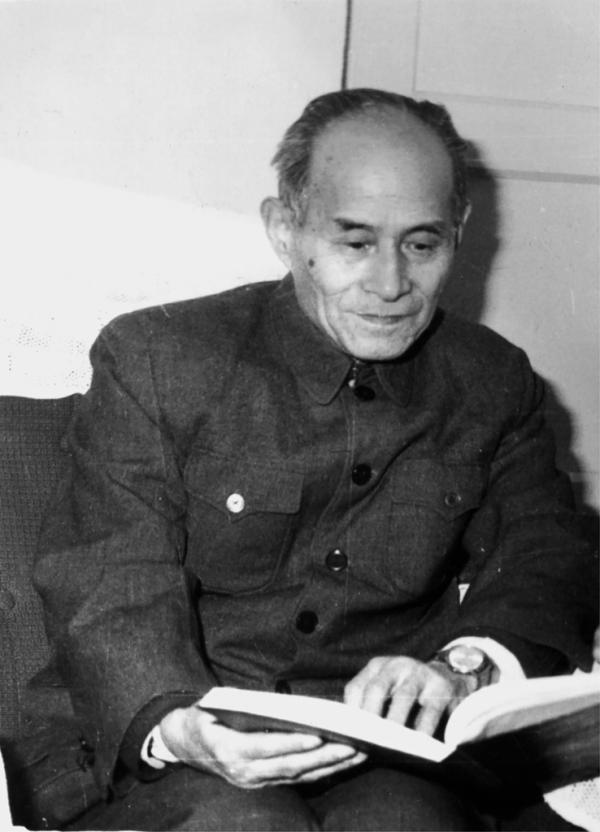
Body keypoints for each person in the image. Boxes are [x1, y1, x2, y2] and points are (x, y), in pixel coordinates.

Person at [23, 88, 597, 830]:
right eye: (355, 243)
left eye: (422, 246)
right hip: (157, 746)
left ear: (457, 236)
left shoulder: (493, 380)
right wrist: (175, 722)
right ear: (284, 229)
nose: (390, 285)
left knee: (407, 825)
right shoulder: (158, 358)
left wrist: (464, 666)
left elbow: (545, 552)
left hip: (386, 758)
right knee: (244, 824)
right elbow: (108, 573)